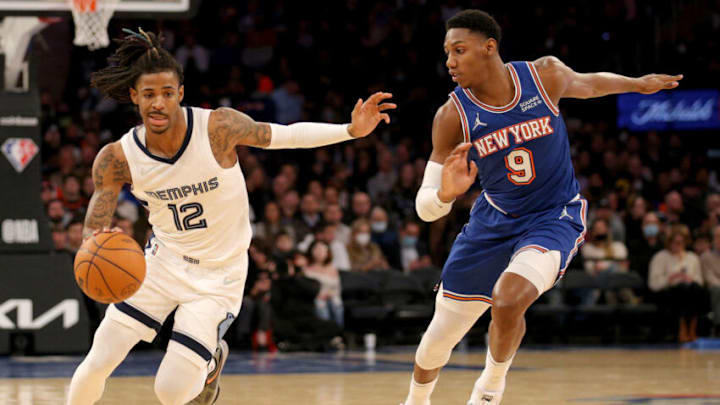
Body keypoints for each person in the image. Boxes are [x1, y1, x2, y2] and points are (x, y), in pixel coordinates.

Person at [66, 29, 395, 405]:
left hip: (219, 276)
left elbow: (284, 135)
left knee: (170, 393)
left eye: (167, 93)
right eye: (149, 94)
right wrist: (93, 240)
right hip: (162, 263)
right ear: (134, 97)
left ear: (181, 94)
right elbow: (96, 218)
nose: (158, 103)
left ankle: (210, 364)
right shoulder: (117, 156)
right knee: (98, 360)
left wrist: (350, 130)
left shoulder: (217, 128)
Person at [402, 10, 681, 405]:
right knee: (438, 340)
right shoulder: (452, 116)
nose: (450, 61)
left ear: (489, 47)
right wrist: (446, 195)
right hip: (492, 222)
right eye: (447, 53)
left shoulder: (542, 76)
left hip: (554, 216)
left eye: (459, 50)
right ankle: (415, 400)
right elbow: (424, 208)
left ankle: (489, 389)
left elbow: (590, 84)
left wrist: (637, 84)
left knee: (509, 298)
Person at [648, 225, 706, 342]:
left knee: (694, 289)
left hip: (691, 291)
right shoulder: (660, 257)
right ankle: (682, 328)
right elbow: (653, 284)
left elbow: (700, 280)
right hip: (668, 292)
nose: (677, 245)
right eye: (675, 242)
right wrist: (670, 279)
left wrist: (690, 279)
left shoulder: (692, 258)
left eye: (681, 242)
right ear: (669, 242)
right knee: (682, 289)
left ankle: (692, 328)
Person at [701, 225, 720, 336]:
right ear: (713, 239)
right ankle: (718, 326)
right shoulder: (705, 257)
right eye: (717, 236)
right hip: (713, 290)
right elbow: (709, 278)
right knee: (717, 290)